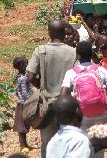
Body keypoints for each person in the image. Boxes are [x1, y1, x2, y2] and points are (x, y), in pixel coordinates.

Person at [26, 20, 76, 158]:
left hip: (46, 105)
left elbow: (30, 76)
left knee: (47, 144)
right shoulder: (73, 52)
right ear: (63, 33)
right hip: (67, 105)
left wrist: (41, 85)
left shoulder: (40, 51)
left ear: (49, 33)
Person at [60, 41, 107, 158]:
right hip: (101, 115)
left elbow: (63, 96)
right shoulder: (100, 70)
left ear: (77, 56)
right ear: (92, 54)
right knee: (99, 150)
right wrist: (104, 106)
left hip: (82, 117)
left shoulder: (71, 73)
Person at [12, 56, 33, 154]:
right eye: (26, 64)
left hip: (21, 102)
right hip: (24, 104)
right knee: (22, 126)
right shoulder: (24, 78)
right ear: (22, 66)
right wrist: (32, 98)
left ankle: (24, 144)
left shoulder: (19, 77)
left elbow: (17, 91)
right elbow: (25, 92)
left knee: (22, 125)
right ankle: (22, 146)